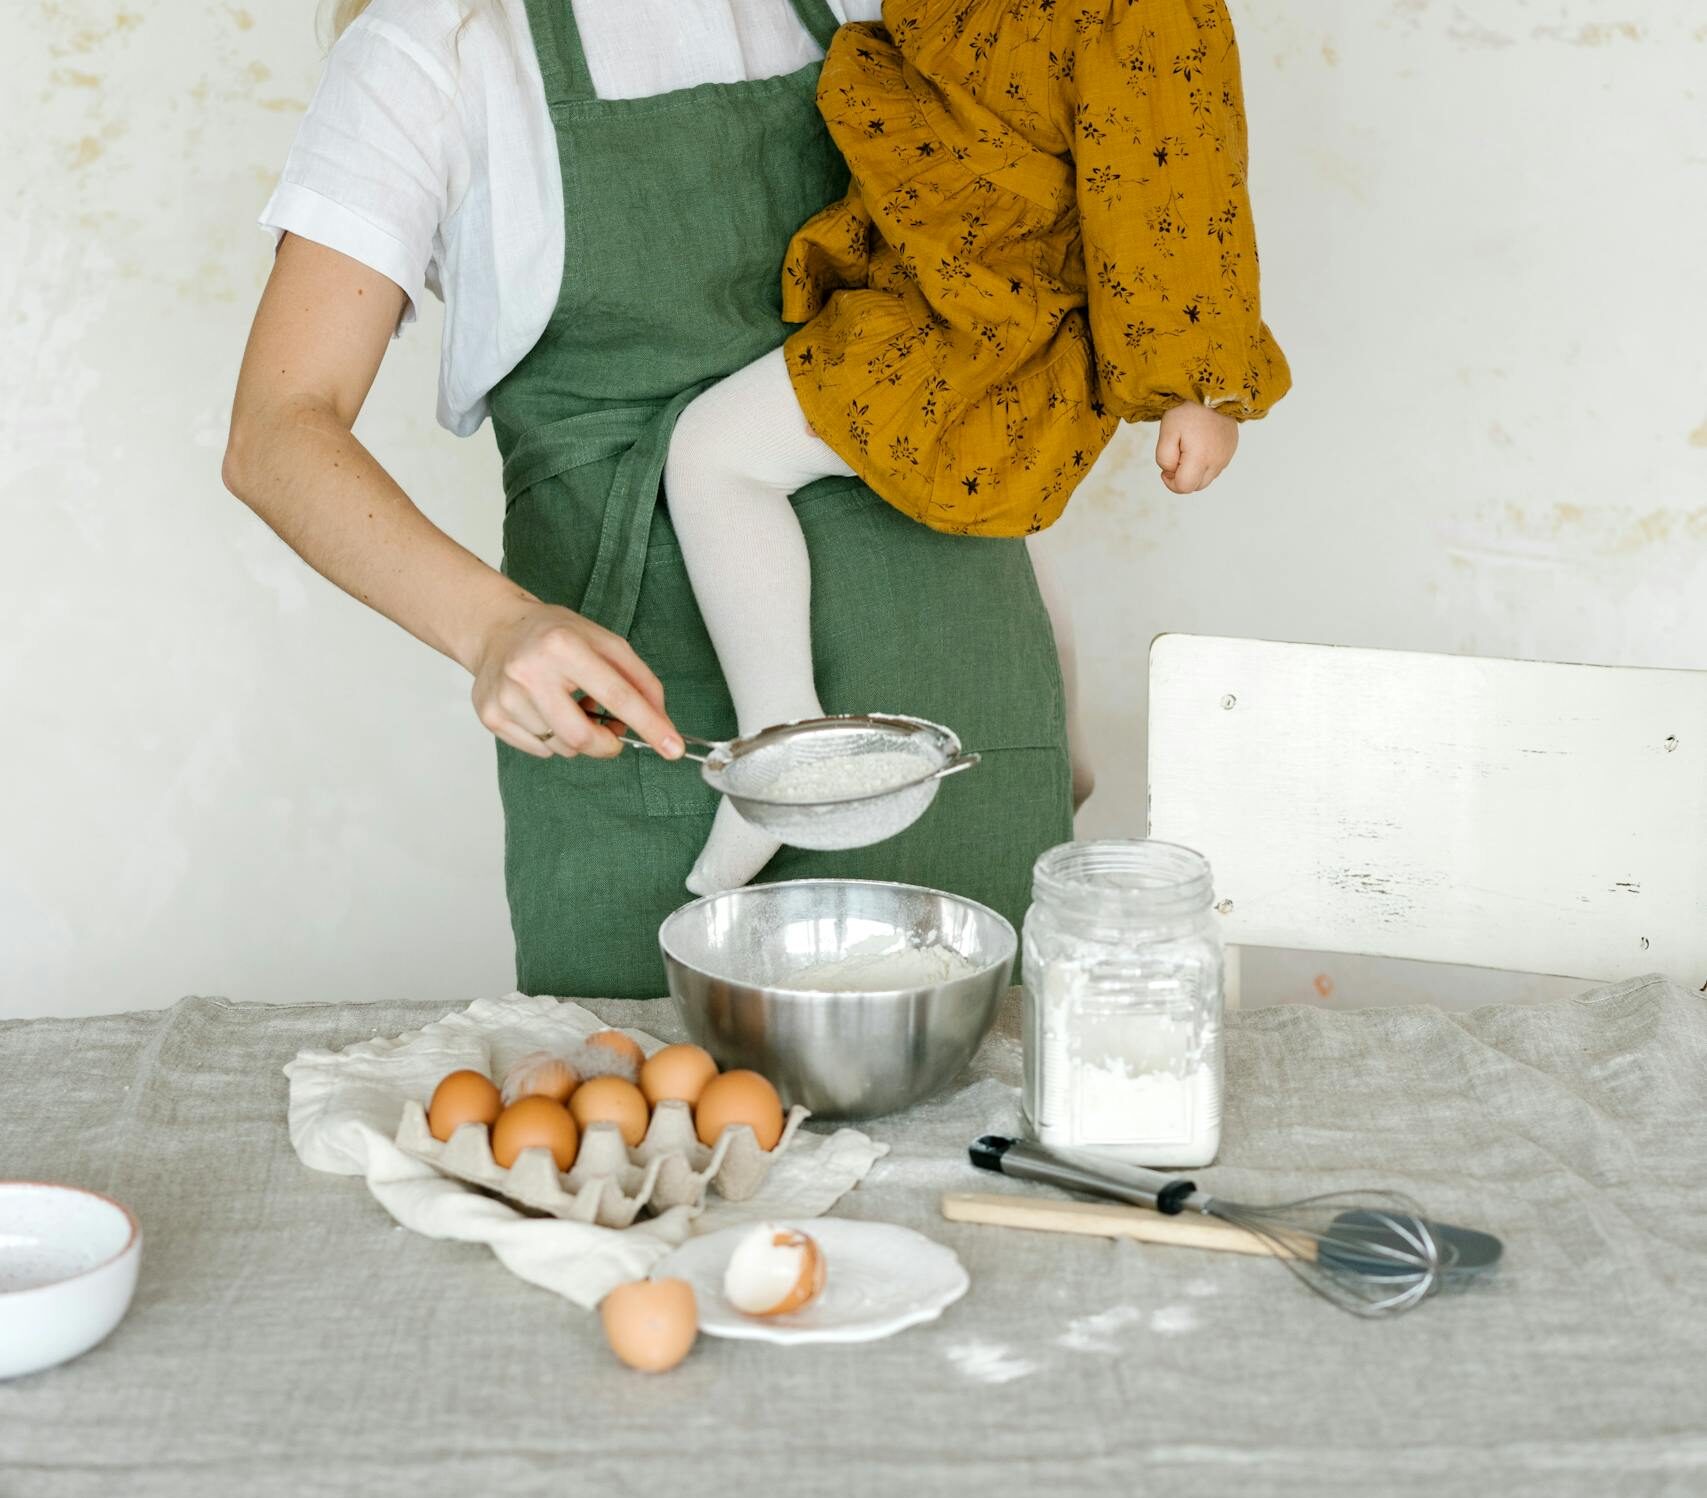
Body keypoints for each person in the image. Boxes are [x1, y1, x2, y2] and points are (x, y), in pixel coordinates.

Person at [224, 0, 1096, 998]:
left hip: (957, 689)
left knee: (983, 1125)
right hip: (663, 743)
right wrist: (494, 630)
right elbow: (279, 429)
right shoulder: (442, 47)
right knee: (660, 1129)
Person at [667, 0, 1290, 893]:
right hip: (965, 289)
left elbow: (1179, 183)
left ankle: (779, 741)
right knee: (1006, 542)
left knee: (714, 452)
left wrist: (1196, 387)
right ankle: (1061, 752)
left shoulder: (1143, 15)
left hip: (983, 325)